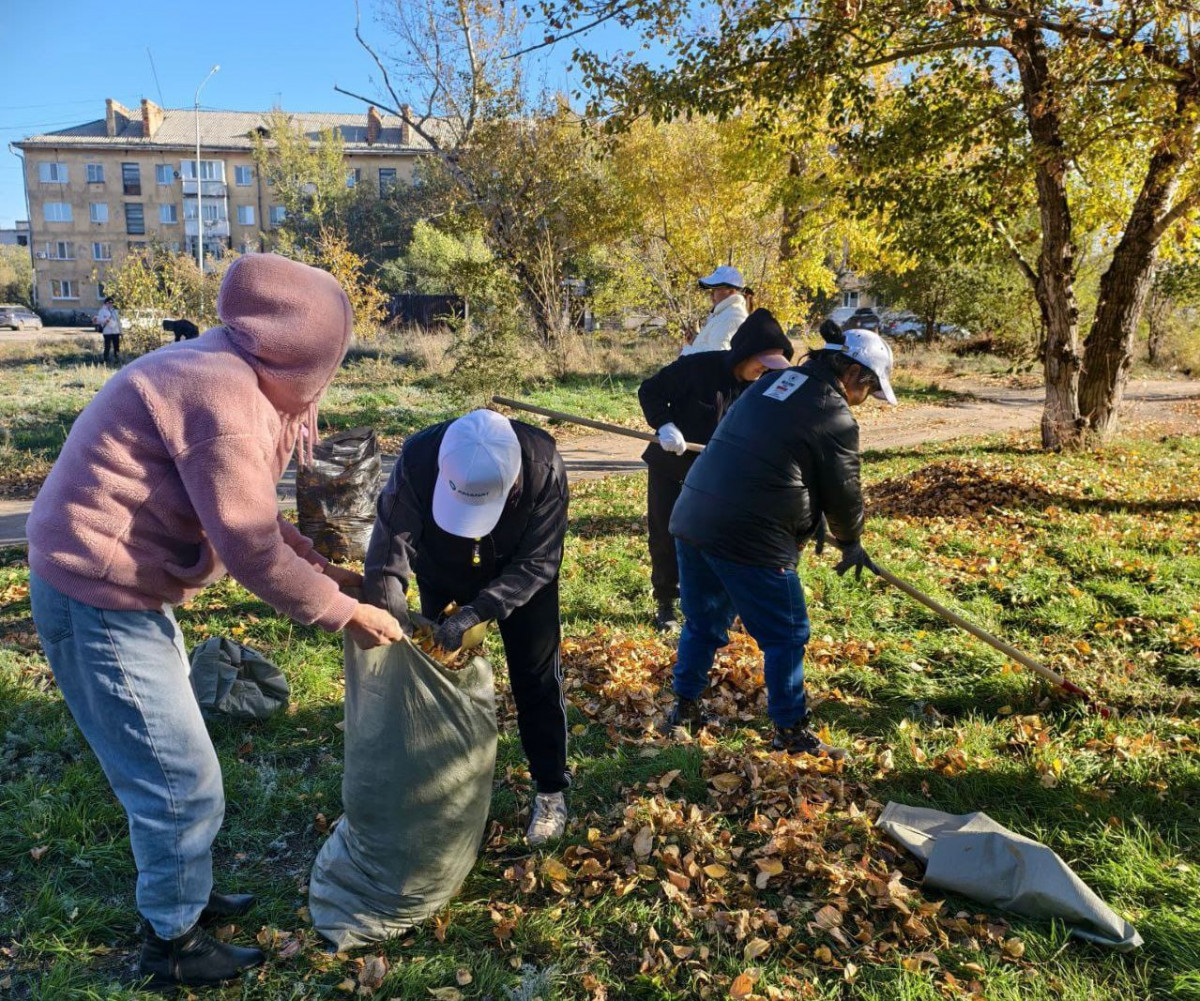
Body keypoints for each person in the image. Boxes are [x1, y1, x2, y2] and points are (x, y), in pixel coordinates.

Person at [26, 254, 405, 988]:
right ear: (299, 351)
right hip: (95, 595)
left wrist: (327, 573)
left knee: (177, 768)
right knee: (179, 780)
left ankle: (185, 893)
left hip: (124, 588)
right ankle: (172, 942)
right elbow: (250, 547)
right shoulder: (224, 401)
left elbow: (250, 513)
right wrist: (343, 613)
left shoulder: (229, 370)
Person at [666, 327, 898, 757]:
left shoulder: (773, 382)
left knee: (702, 622)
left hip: (694, 516)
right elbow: (844, 492)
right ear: (853, 374)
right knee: (787, 634)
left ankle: (684, 708)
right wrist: (851, 540)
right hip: (750, 535)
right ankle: (790, 731)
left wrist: (809, 515)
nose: (864, 400)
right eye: (868, 389)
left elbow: (772, 455)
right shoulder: (835, 414)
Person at [363, 409, 571, 847]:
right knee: (440, 680)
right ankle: (443, 785)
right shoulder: (419, 459)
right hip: (442, 569)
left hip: (520, 575)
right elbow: (388, 552)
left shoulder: (543, 464)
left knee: (536, 678)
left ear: (512, 482)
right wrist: (394, 621)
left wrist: (479, 611)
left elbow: (539, 562)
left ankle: (550, 789)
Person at [638, 308, 795, 631]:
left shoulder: (764, 386)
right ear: (746, 352)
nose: (766, 369)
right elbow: (650, 390)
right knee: (667, 534)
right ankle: (666, 603)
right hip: (673, 465)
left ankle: (717, 603)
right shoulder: (697, 367)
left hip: (719, 477)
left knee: (718, 539)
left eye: (773, 365)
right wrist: (664, 425)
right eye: (762, 362)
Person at [680, 266, 750, 355]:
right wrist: (695, 341)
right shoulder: (726, 313)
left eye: (716, 289)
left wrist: (686, 352)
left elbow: (717, 355)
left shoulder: (730, 317)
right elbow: (714, 346)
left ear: (731, 291)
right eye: (711, 290)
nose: (711, 295)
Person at [96, 296, 121, 364]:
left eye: (112, 302)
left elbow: (118, 321)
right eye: (109, 302)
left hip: (116, 331)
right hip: (107, 332)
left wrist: (121, 331)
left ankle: (117, 359)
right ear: (106, 303)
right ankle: (105, 360)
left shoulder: (115, 311)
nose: (111, 304)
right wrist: (105, 320)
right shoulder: (102, 311)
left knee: (116, 346)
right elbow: (99, 320)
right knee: (107, 347)